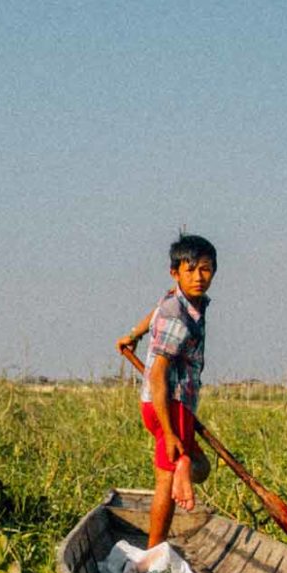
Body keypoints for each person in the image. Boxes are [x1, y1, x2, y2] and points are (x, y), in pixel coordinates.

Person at [116, 234, 216, 547]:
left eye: (206, 269)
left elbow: (157, 310)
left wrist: (134, 333)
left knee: (202, 468)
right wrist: (171, 432)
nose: (199, 277)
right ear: (175, 272)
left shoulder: (178, 301)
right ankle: (152, 555)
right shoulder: (179, 317)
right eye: (190, 270)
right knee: (166, 483)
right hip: (170, 405)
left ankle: (185, 462)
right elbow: (158, 375)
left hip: (163, 405)